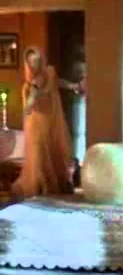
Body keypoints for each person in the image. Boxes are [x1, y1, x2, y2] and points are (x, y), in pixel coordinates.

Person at [11, 47, 82, 199]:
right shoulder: (31, 83)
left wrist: (73, 86)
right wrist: (29, 105)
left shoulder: (49, 73)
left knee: (53, 150)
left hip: (51, 120)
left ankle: (57, 183)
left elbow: (57, 82)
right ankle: (40, 186)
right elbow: (33, 95)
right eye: (31, 62)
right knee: (39, 153)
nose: (34, 64)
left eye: (36, 60)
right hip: (36, 122)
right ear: (27, 64)